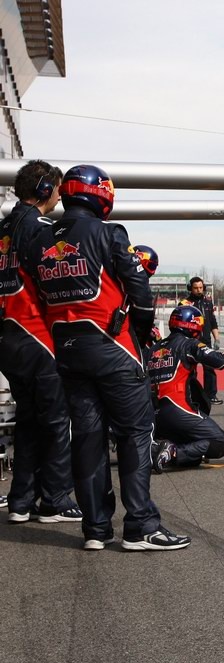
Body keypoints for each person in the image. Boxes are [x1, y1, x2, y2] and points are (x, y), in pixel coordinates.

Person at [24, 164, 189, 550]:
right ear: (101, 193)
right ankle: (141, 527)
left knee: (87, 439)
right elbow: (141, 293)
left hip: (65, 351)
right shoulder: (109, 233)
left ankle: (95, 529)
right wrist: (141, 330)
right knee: (134, 433)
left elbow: (35, 297)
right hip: (112, 349)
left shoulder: (39, 241)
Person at [0, 159, 82, 524]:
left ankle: (20, 501)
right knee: (55, 419)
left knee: (29, 419)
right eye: (58, 188)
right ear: (46, 190)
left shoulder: (4, 227)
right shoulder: (41, 229)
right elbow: (55, 281)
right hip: (36, 335)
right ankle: (56, 500)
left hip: (8, 337)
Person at [147, 305, 224, 472]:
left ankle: (163, 449)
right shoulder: (189, 344)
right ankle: (174, 451)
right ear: (191, 324)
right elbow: (217, 360)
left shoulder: (153, 349)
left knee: (194, 457)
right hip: (179, 409)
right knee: (222, 443)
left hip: (155, 415)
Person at [180, 276, 221, 404]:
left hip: (206, 340)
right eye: (195, 288)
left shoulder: (208, 302)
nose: (198, 290)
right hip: (191, 341)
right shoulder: (184, 304)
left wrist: (217, 339)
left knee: (210, 368)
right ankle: (190, 395)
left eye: (200, 288)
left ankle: (211, 395)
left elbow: (213, 321)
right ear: (190, 289)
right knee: (190, 370)